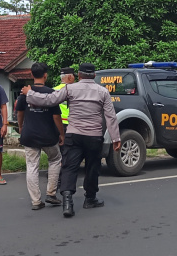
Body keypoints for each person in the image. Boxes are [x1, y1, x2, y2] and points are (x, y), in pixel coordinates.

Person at [22, 62, 121, 218]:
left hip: (74, 135)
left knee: (69, 167)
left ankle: (67, 202)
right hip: (94, 136)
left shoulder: (70, 88)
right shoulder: (103, 92)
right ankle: (90, 199)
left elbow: (49, 100)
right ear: (94, 76)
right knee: (92, 167)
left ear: (79, 76)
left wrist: (30, 93)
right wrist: (116, 138)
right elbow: (110, 116)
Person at [16, 62, 64, 210]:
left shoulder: (24, 93)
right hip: (48, 135)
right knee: (55, 159)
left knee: (31, 166)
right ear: (45, 75)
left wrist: (21, 126)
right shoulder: (51, 93)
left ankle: (36, 201)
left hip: (29, 135)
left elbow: (20, 113)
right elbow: (57, 117)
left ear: (31, 75)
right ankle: (51, 193)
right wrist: (61, 133)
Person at [54, 67, 76, 131]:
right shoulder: (74, 90)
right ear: (69, 77)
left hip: (58, 123)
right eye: (74, 76)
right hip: (72, 123)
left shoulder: (54, 90)